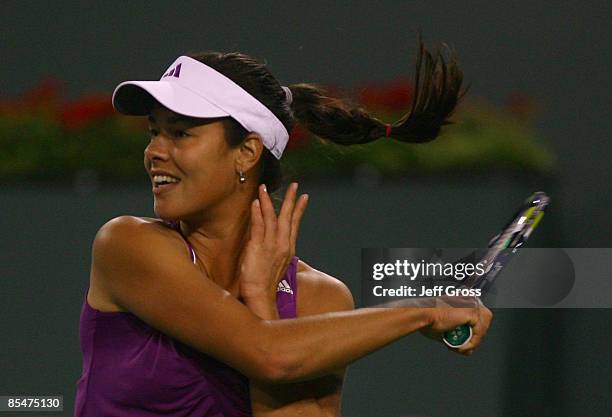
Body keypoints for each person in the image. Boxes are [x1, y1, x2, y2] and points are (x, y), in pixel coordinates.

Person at [74, 37, 492, 417]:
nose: (154, 152)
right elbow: (269, 354)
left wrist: (261, 299)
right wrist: (420, 311)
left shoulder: (318, 297)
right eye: (154, 132)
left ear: (247, 152)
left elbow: (271, 355)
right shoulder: (127, 244)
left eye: (180, 133)